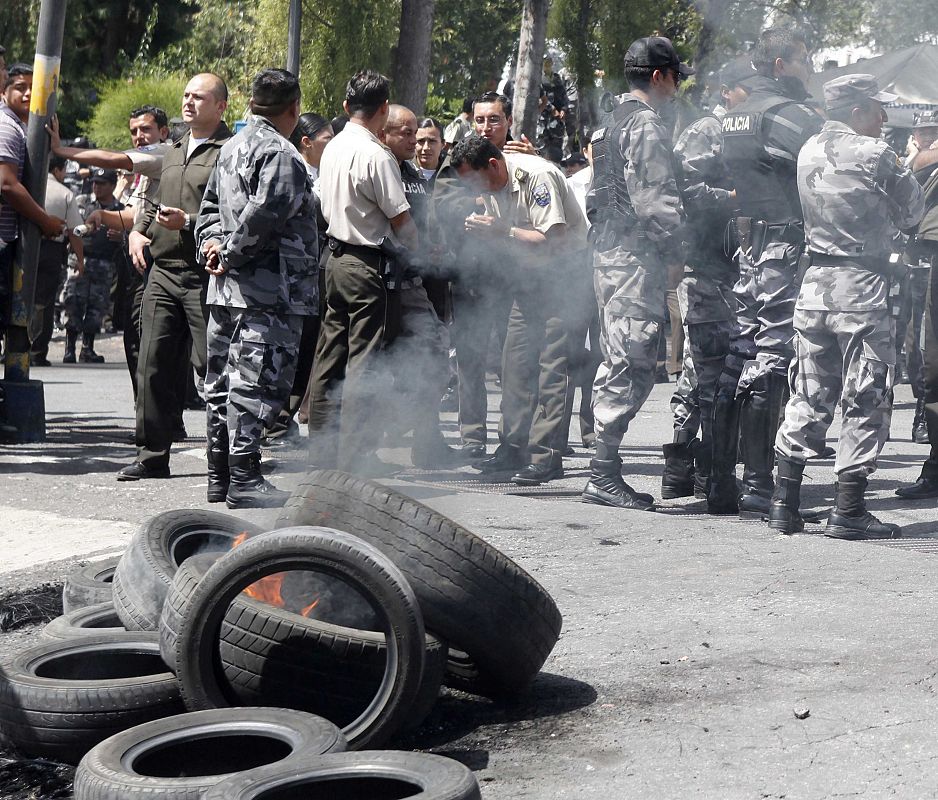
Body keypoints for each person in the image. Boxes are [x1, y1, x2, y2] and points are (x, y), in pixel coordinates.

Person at [768, 74, 923, 539]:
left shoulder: (808, 149)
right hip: (862, 288)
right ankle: (849, 509)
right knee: (867, 394)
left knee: (809, 393)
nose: (882, 118)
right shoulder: (876, 155)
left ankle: (784, 503)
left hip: (814, 287)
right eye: (878, 109)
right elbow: (913, 213)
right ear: (857, 110)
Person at [707, 27, 824, 517]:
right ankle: (757, 480)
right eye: (803, 60)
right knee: (773, 358)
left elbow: (702, 176)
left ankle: (719, 479)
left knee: (741, 352)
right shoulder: (793, 117)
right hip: (781, 243)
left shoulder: (732, 117)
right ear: (780, 65)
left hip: (745, 246)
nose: (809, 68)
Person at [196, 68, 318, 508]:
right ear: (293, 108)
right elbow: (265, 215)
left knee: (222, 383)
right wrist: (226, 252)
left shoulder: (232, 146)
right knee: (254, 383)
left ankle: (220, 476)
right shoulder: (281, 153)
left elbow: (207, 208)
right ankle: (244, 479)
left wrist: (210, 246)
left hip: (228, 292)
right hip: (267, 294)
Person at [582, 37, 691, 510]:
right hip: (632, 255)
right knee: (632, 359)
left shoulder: (609, 124)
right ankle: (602, 473)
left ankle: (602, 468)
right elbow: (655, 201)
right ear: (657, 76)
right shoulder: (645, 122)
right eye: (675, 75)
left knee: (620, 354)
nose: (678, 85)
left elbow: (595, 197)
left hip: (609, 253)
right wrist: (679, 250)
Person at [451, 134, 588, 485]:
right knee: (514, 363)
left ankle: (546, 456)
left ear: (493, 166)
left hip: (562, 275)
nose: (473, 189)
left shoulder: (535, 177)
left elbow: (551, 240)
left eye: (474, 180)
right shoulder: (491, 185)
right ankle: (512, 448)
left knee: (551, 368)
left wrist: (501, 230)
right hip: (525, 280)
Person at [118, 73, 231, 481]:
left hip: (206, 275)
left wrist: (191, 221)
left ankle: (228, 457)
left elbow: (235, 213)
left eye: (198, 97)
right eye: (185, 96)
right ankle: (151, 456)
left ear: (220, 106)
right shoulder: (174, 148)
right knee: (152, 364)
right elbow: (154, 201)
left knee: (214, 367)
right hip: (163, 272)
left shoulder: (229, 151)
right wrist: (139, 229)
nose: (188, 103)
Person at [306, 69, 419, 475]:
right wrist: (424, 251)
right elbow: (401, 220)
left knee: (329, 357)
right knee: (363, 364)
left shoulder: (333, 146)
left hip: (333, 261)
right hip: (365, 265)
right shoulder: (376, 155)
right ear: (384, 109)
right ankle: (352, 462)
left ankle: (320, 452)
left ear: (345, 106)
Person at [663, 60, 756, 500]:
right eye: (746, 90)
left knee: (701, 373)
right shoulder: (708, 131)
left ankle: (684, 466)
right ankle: (712, 474)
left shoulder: (744, 130)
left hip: (726, 270)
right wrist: (735, 198)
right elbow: (684, 189)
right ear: (727, 91)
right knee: (720, 374)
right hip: (709, 270)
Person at [48, 105, 172, 393]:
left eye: (146, 129)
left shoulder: (162, 153)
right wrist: (101, 217)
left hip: (159, 262)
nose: (139, 136)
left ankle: (162, 416)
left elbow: (114, 159)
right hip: (139, 265)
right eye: (134, 132)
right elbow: (132, 215)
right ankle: (153, 415)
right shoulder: (145, 168)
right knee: (136, 338)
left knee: (153, 342)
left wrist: (61, 150)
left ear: (163, 133)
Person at [896, 111, 938, 500]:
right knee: (926, 358)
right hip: (922, 253)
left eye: (931, 131)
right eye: (921, 130)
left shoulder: (926, 156)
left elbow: (923, 162)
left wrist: (916, 155)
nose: (924, 136)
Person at [61, 167, 122, 363]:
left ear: (113, 186)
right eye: (95, 182)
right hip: (80, 260)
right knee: (73, 303)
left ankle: (88, 348)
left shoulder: (119, 210)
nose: (96, 186)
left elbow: (128, 234)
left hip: (103, 262)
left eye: (102, 183)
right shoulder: (82, 202)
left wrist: (121, 237)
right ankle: (69, 348)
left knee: (97, 306)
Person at [29, 155, 84, 366]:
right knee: (44, 302)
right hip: (51, 251)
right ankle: (37, 352)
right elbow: (74, 231)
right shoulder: (65, 193)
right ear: (59, 169)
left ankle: (13, 348)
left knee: (18, 296)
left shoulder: (27, 186)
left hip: (24, 247)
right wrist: (80, 260)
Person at [415, 117, 444, 181]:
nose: (426, 148)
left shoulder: (452, 173)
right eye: (421, 141)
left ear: (443, 144)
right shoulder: (401, 171)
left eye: (432, 141)